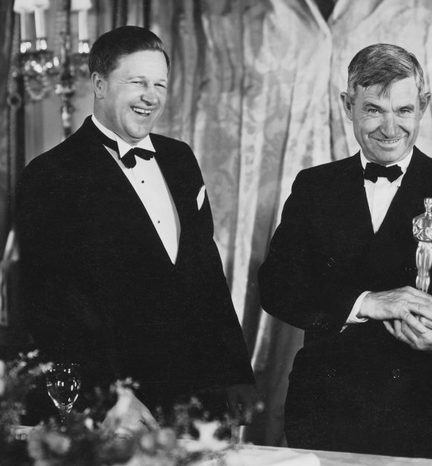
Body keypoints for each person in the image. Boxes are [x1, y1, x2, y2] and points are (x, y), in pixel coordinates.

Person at [258, 43, 432, 460]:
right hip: (325, 410)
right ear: (347, 105)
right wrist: (366, 302)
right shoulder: (315, 187)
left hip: (425, 411)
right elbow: (276, 286)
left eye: (404, 111)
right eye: (374, 109)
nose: (391, 128)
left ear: (423, 106)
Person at [16, 26, 257, 429]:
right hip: (120, 405)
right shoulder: (50, 175)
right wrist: (109, 396)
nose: (152, 96)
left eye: (160, 84)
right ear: (99, 84)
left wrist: (237, 375)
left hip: (199, 394)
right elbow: (51, 306)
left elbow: (206, 274)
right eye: (137, 82)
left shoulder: (180, 159)